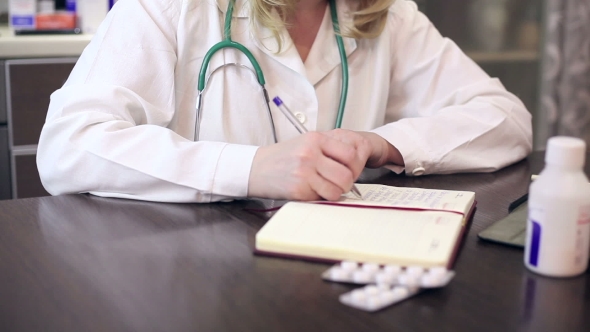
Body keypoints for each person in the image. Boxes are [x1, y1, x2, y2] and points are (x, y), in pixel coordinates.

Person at [37, 0, 532, 203]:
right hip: (198, 276)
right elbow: (68, 146)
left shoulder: (386, 14)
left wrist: (382, 143)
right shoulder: (168, 6)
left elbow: (505, 118)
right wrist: (249, 169)